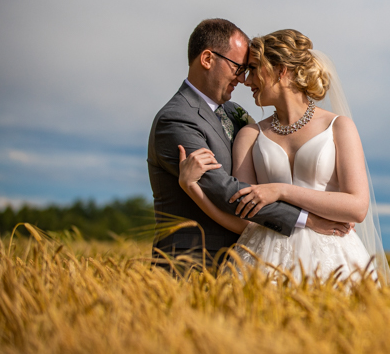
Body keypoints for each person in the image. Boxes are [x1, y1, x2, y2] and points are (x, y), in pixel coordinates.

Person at [177, 29, 390, 284]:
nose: (246, 80)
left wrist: (280, 191)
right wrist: (191, 187)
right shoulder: (250, 135)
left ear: (281, 70)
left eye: (254, 68)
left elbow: (357, 207)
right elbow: (241, 216)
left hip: (334, 260)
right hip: (262, 262)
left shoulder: (339, 127)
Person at [147, 19, 351, 271]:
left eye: (249, 69)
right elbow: (225, 190)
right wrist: (308, 219)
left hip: (251, 257)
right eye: (238, 67)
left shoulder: (235, 114)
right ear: (208, 59)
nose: (243, 79)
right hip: (192, 263)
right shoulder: (177, 118)